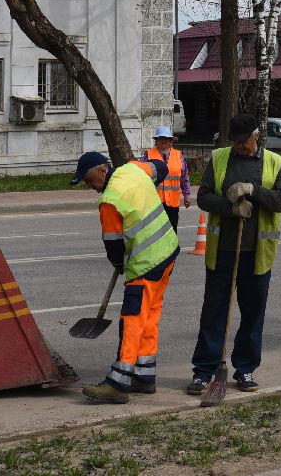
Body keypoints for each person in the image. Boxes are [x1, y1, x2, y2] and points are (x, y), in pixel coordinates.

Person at [186, 113, 281, 395]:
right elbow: (204, 197)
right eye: (235, 143)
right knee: (214, 311)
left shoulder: (273, 163)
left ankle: (245, 369)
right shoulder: (220, 159)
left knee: (253, 312)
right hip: (222, 251)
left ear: (256, 136)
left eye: (243, 142)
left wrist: (253, 191)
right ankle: (204, 370)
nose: (239, 147)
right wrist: (229, 208)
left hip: (256, 253)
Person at [72, 150, 179, 403]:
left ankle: (119, 383)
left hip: (145, 265)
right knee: (150, 317)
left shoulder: (110, 200)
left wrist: (119, 264)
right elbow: (160, 169)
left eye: (90, 181)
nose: (92, 188)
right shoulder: (132, 169)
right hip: (168, 253)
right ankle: (144, 376)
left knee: (131, 320)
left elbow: (114, 247)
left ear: (101, 170)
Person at [145, 126, 192, 230]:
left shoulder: (178, 155)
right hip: (154, 202)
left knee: (171, 230)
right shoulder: (148, 156)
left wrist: (187, 196)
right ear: (156, 141)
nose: (163, 141)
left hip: (172, 202)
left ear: (171, 141)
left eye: (166, 139)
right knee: (155, 231)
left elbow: (184, 178)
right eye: (160, 138)